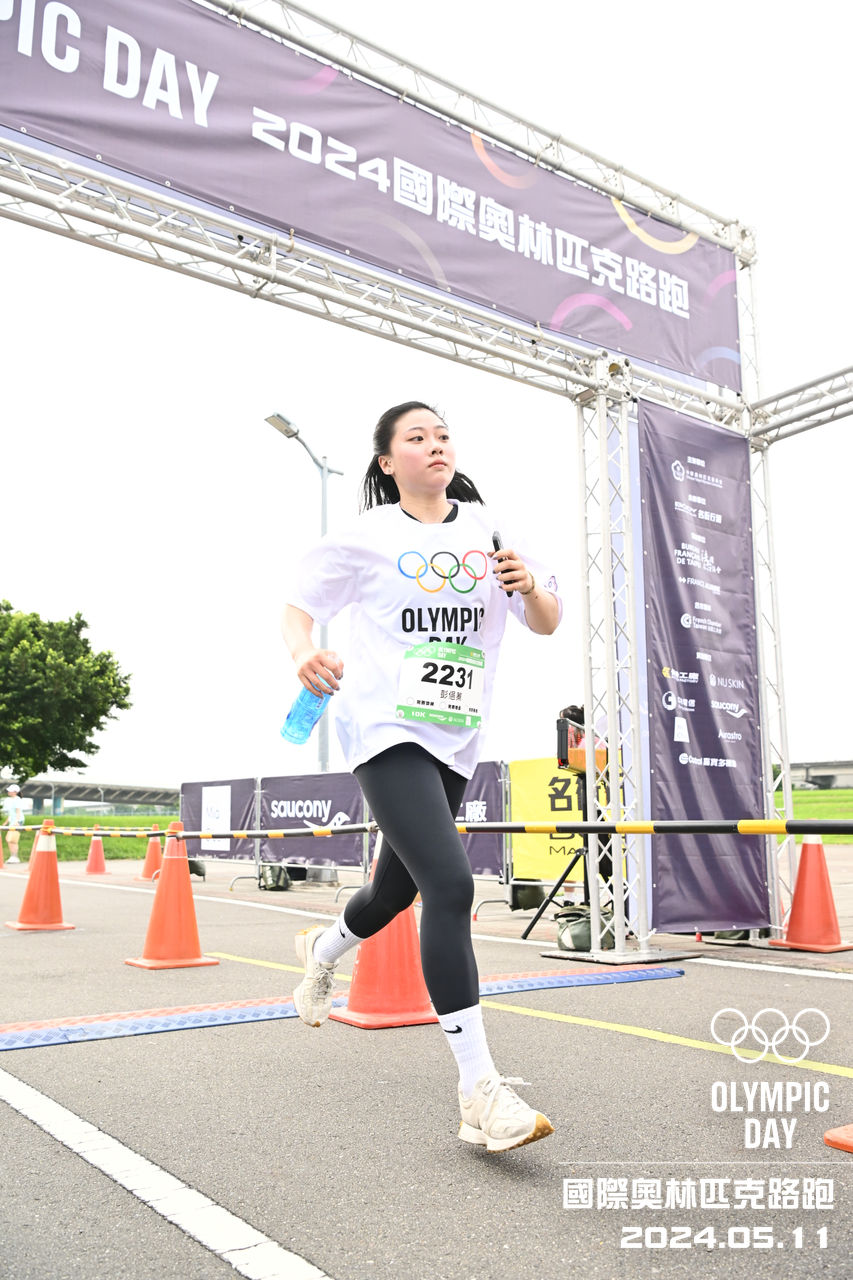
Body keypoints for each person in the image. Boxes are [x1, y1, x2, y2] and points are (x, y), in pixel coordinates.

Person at [282, 401, 562, 1152]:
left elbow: (546, 621)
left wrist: (529, 588)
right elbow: (297, 608)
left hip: (455, 737)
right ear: (387, 462)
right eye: (416, 437)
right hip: (382, 727)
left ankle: (322, 952)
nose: (435, 445)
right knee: (450, 885)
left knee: (393, 892)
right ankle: (479, 1090)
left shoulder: (491, 531)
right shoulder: (368, 536)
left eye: (442, 435)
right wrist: (304, 653)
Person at [4, 784, 25, 864]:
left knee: (12, 840)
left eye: (10, 790)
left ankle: (15, 857)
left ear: (15, 792)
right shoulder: (11, 800)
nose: (8, 792)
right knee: (9, 839)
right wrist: (5, 823)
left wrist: (16, 822)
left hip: (17, 822)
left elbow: (18, 812)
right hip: (12, 822)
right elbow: (11, 814)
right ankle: (13, 856)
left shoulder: (17, 800)